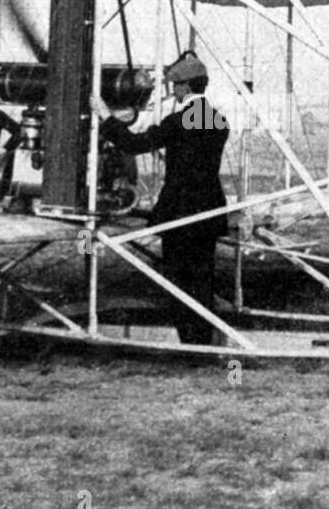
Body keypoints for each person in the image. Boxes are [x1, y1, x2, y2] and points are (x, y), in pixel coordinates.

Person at [91, 53, 229, 345]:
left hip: (180, 211)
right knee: (202, 281)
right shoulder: (218, 120)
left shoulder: (178, 121)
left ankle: (190, 343)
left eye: (176, 85)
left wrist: (105, 116)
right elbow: (195, 152)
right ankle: (202, 341)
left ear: (185, 88)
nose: (173, 91)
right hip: (208, 209)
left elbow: (133, 144)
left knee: (177, 282)